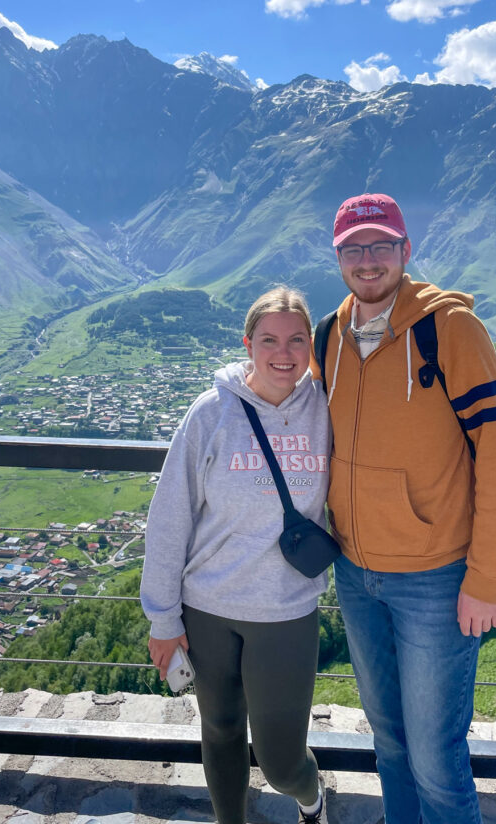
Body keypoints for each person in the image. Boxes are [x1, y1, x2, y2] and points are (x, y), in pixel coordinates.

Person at [318, 193, 496, 824]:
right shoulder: (329, 334)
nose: (368, 260)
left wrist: (485, 579)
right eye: (354, 248)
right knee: (391, 744)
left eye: (381, 245)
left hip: (437, 578)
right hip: (354, 572)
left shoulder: (450, 329)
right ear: (338, 258)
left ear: (407, 251)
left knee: (436, 757)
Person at [141, 286, 332, 824]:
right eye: (269, 339)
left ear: (311, 348)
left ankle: (310, 796)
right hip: (207, 607)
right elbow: (170, 516)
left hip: (285, 610)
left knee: (280, 761)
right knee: (220, 730)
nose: (283, 352)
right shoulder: (212, 413)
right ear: (248, 343)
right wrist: (163, 618)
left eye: (297, 340)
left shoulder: (326, 407)